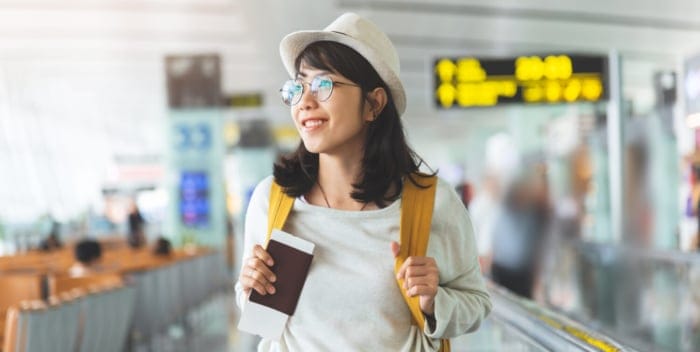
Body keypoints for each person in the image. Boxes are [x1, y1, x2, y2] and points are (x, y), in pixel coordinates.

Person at [235, 13, 491, 351]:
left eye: (323, 84)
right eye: (297, 86)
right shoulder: (274, 200)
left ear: (373, 103)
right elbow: (259, 312)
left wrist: (433, 301)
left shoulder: (431, 203)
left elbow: (476, 303)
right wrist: (250, 287)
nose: (304, 102)